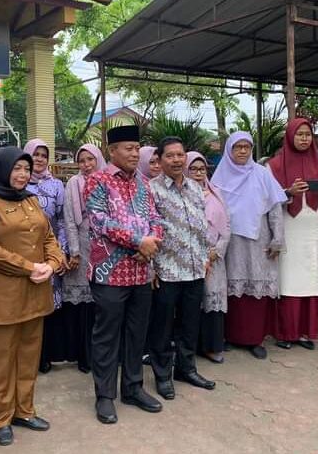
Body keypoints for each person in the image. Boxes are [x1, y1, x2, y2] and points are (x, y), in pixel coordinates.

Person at [0, 147, 64, 446]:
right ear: (1, 169)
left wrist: (52, 264)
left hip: (34, 293)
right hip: (1, 296)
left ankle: (24, 411)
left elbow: (48, 237)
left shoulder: (30, 200)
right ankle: (1, 418)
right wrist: (30, 267)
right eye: (16, 168)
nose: (22, 174)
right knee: (0, 361)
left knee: (28, 356)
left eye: (26, 169)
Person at [84, 125, 164, 424]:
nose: (134, 153)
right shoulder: (97, 180)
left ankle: (132, 388)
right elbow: (100, 222)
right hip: (110, 274)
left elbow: (156, 218)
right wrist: (138, 241)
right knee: (106, 336)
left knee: (136, 333)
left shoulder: (144, 183)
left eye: (137, 148)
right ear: (112, 151)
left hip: (141, 272)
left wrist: (151, 244)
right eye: (128, 148)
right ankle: (105, 396)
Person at [148, 137, 215, 401]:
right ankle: (163, 375)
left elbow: (201, 225)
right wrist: (151, 267)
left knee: (190, 323)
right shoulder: (151, 189)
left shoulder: (196, 187)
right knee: (163, 326)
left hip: (195, 268)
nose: (176, 160)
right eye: (170, 155)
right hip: (166, 270)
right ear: (160, 159)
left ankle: (186, 369)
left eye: (180, 155)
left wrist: (205, 256)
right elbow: (147, 229)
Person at [212, 132, 286, 360]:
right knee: (231, 288)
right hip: (230, 242)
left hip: (258, 240)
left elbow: (275, 209)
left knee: (256, 289)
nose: (243, 151)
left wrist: (277, 239)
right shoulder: (219, 177)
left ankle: (255, 338)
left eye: (247, 147)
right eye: (238, 147)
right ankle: (230, 335)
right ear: (229, 150)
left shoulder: (262, 174)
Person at [268, 119, 318, 350]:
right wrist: (289, 192)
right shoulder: (274, 165)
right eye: (300, 134)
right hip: (288, 227)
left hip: (312, 226)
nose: (304, 138)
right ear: (290, 136)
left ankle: (305, 332)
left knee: (311, 279)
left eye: (308, 134)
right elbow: (269, 199)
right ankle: (286, 333)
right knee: (289, 281)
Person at [23, 139, 68, 373]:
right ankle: (28, 356)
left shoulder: (57, 185)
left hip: (50, 253)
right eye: (35, 154)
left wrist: (61, 252)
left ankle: (46, 355)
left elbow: (62, 220)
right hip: (25, 253)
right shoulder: (18, 182)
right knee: (27, 304)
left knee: (49, 305)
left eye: (43, 155)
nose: (39, 159)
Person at [63, 143, 106, 373]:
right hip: (82, 244)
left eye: (91, 159)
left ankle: (103, 355)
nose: (87, 165)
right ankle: (85, 356)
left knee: (103, 302)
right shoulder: (74, 183)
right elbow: (70, 219)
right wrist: (74, 251)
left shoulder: (108, 180)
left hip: (105, 247)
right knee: (83, 306)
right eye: (82, 160)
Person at [186, 151, 231, 364]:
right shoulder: (182, 195)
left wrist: (217, 250)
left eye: (202, 169)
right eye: (193, 169)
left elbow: (227, 225)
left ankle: (212, 346)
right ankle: (191, 346)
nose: (198, 173)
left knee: (213, 300)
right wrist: (198, 252)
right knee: (192, 302)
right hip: (189, 257)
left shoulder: (216, 194)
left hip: (214, 258)